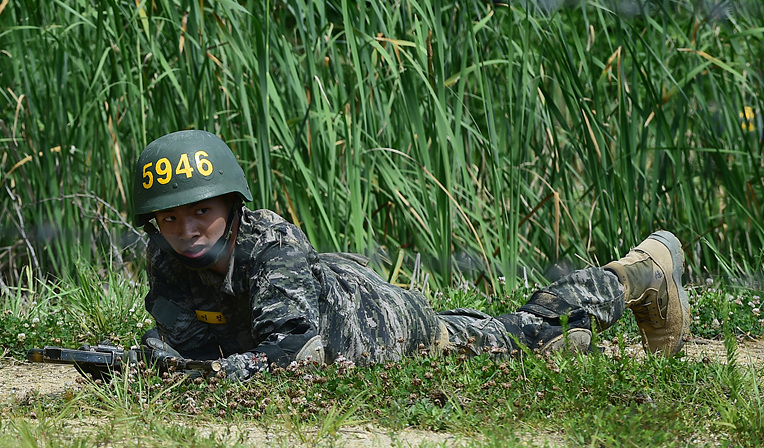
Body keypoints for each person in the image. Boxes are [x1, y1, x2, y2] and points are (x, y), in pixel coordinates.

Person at [133, 130, 690, 380]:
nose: (187, 230)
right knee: (534, 340)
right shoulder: (167, 258)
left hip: (383, 321)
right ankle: (575, 333)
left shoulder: (269, 245)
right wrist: (152, 356)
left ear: (232, 205)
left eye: (201, 212)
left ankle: (639, 272)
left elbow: (291, 357)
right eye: (170, 218)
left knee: (516, 335)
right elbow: (190, 341)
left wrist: (192, 372)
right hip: (332, 289)